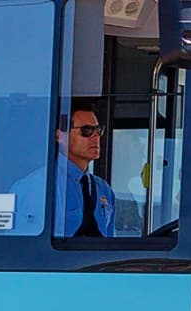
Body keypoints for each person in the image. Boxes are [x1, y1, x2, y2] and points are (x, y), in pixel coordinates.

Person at [11, 101, 115, 238]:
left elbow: (110, 243)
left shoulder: (105, 191)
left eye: (98, 130)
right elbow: (29, 246)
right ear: (60, 136)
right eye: (86, 131)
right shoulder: (38, 186)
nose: (96, 136)